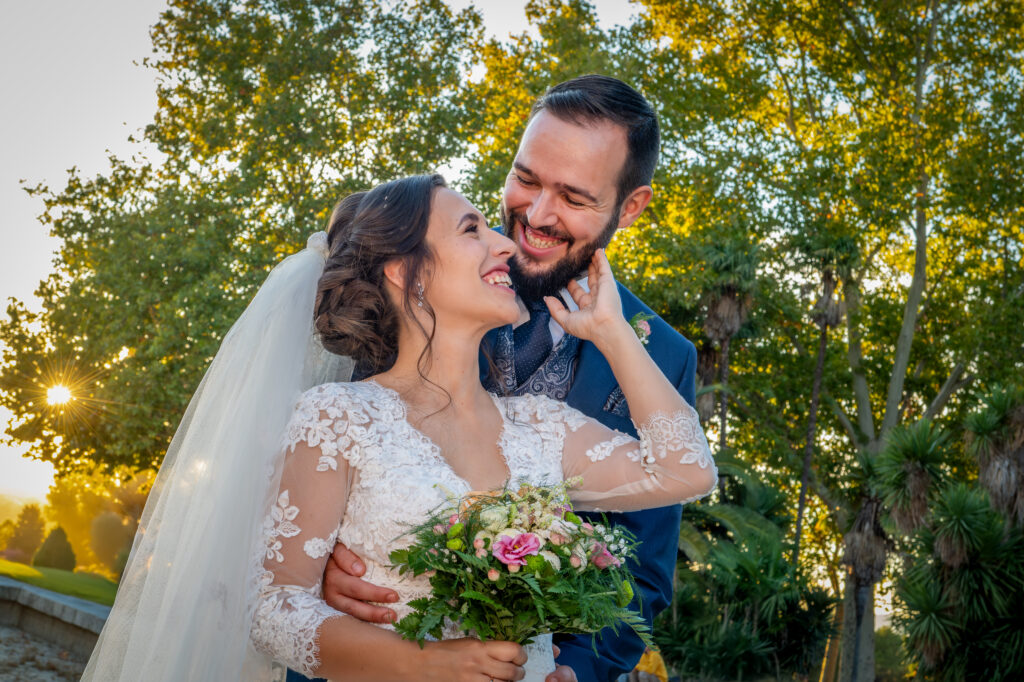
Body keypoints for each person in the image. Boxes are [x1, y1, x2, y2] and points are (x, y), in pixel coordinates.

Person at [83, 172, 715, 681]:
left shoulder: (544, 428)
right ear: (402, 270)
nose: (504, 243)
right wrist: (428, 666)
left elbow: (687, 471)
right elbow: (273, 611)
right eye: (473, 230)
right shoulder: (338, 417)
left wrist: (610, 332)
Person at [320, 75, 696, 681]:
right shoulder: (414, 271)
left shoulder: (665, 357)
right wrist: (324, 562)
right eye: (525, 178)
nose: (537, 216)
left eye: (574, 197)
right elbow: (303, 462)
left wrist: (574, 671)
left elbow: (645, 572)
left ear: (630, 207)